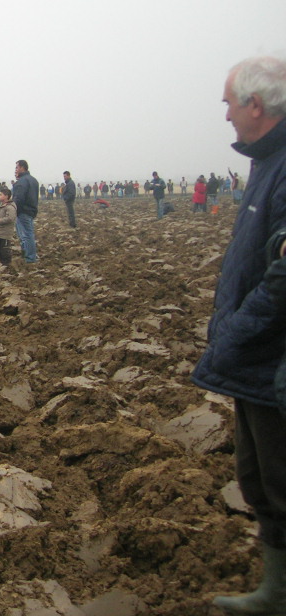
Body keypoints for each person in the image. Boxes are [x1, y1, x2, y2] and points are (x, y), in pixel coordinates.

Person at [190, 56, 286, 613]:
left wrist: (234, 334)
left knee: (284, 480)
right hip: (254, 358)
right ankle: (277, 590)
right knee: (261, 480)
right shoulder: (266, 163)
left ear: (256, 104)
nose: (224, 114)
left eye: (229, 101)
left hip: (272, 358)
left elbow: (282, 280)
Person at [12, 160, 39, 263]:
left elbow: (19, 199)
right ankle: (27, 255)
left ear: (22, 167)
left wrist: (14, 210)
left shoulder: (22, 182)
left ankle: (30, 258)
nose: (16, 170)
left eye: (17, 168)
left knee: (26, 236)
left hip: (23, 211)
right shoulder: (33, 180)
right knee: (27, 235)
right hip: (31, 211)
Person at [0, 187, 17, 266]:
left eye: (0, 194)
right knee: (0, 248)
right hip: (0, 231)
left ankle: (7, 265)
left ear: (6, 196)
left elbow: (10, 218)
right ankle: (3, 264)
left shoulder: (10, 207)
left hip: (5, 232)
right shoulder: (2, 205)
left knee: (5, 249)